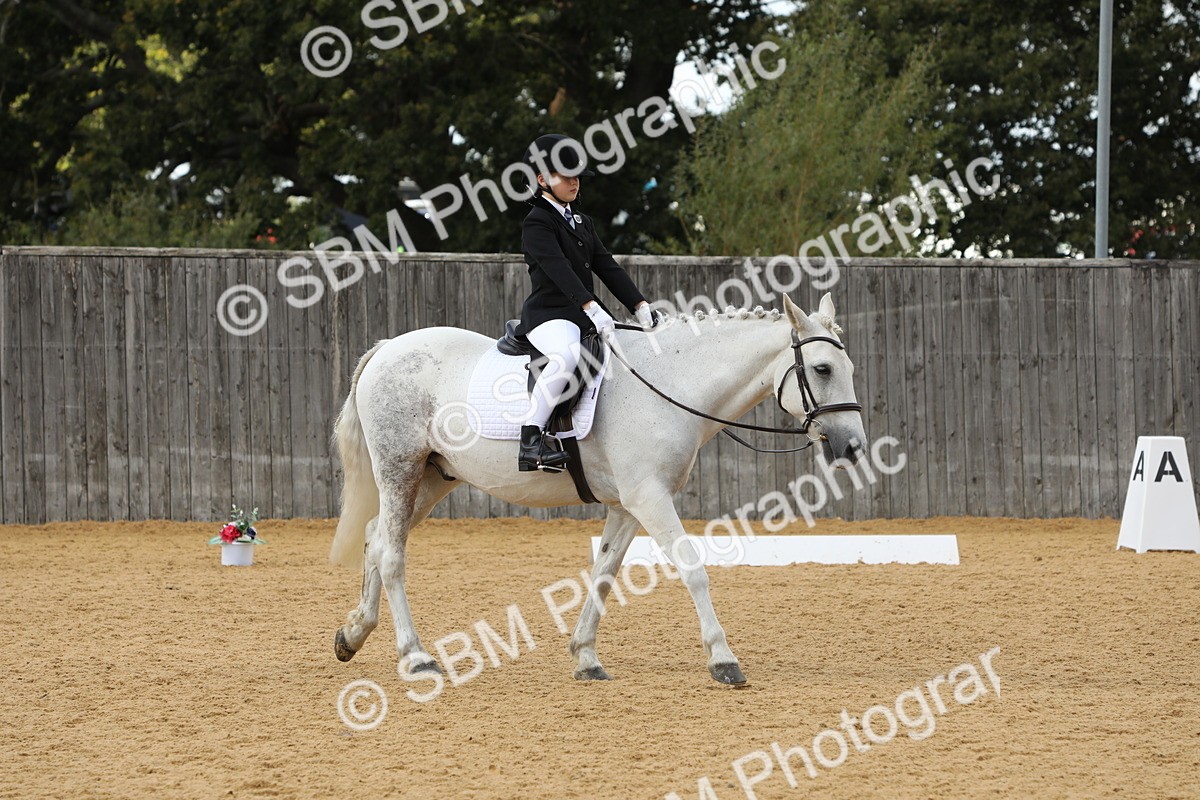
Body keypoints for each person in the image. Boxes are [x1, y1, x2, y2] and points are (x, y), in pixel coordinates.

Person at [515, 133, 658, 473]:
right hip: (549, 317)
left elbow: (607, 265)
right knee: (566, 355)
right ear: (542, 179)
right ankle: (531, 440)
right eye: (565, 176)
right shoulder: (536, 222)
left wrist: (639, 305)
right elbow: (558, 270)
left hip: (582, 314)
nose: (574, 181)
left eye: (577, 175)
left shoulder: (581, 221)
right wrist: (590, 307)